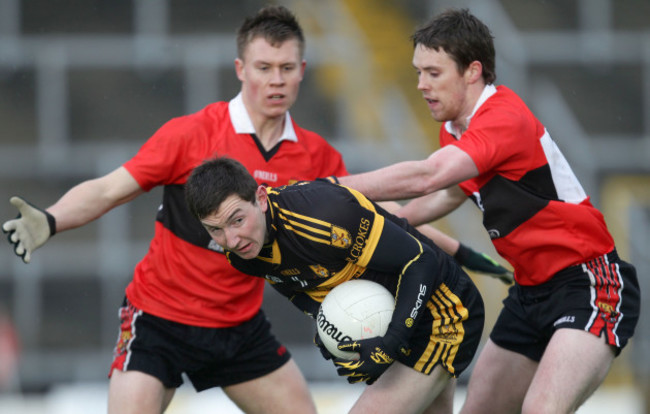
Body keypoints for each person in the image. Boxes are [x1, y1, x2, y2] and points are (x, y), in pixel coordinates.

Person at [0, 6, 506, 413]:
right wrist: (51, 219)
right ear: (241, 69)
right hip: (159, 318)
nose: (276, 80)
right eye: (264, 67)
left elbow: (388, 223)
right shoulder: (191, 133)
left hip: (239, 330)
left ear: (302, 72)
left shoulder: (316, 157)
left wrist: (462, 251)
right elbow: (110, 189)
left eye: (287, 68)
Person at [338, 8, 640, 414]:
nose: (421, 85)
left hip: (587, 283)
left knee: (542, 410)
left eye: (433, 73)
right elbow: (448, 195)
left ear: (472, 71)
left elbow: (430, 176)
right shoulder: (455, 128)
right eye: (417, 73)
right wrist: (387, 224)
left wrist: (331, 189)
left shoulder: (503, 118)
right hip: (529, 295)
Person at [184, 156, 485, 414]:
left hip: (445, 310)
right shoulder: (242, 254)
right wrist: (328, 326)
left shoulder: (323, 215)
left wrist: (389, 343)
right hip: (400, 319)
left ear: (261, 199)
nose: (231, 240)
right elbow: (298, 289)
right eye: (215, 230)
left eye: (237, 220)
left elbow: (423, 262)